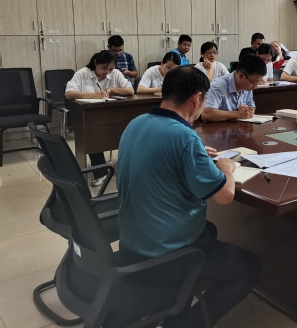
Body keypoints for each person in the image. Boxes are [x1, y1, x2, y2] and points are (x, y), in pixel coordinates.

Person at [117, 67, 261, 328]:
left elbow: (160, 156)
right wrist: (226, 168)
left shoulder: (135, 123)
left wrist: (195, 152)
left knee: (210, 230)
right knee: (250, 267)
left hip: (131, 246)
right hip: (167, 257)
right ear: (196, 99)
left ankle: (180, 305)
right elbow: (225, 196)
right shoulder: (184, 136)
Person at [65, 50, 134, 186]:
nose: (107, 72)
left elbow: (130, 90)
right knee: (93, 136)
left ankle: (127, 167)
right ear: (96, 63)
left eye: (110, 69)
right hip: (90, 118)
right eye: (103, 68)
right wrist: (93, 95)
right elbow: (69, 94)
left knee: (128, 131)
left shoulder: (115, 73)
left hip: (113, 116)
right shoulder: (83, 73)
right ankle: (101, 173)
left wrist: (111, 89)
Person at [201, 55, 266, 122]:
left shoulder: (247, 86)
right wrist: (238, 114)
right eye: (254, 82)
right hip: (217, 127)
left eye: (258, 82)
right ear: (241, 76)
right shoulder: (218, 86)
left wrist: (249, 111)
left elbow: (251, 105)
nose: (255, 86)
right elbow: (206, 114)